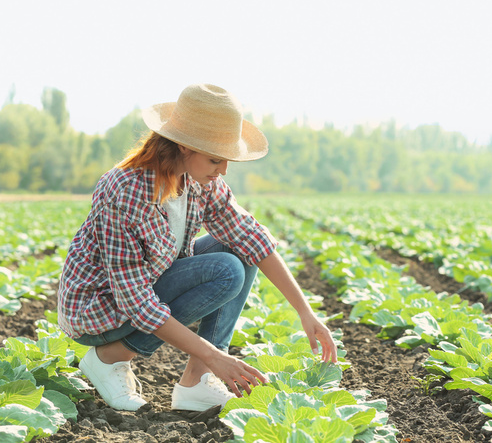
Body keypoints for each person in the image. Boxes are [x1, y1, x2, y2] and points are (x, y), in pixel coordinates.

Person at [57, 83, 337, 412]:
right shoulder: (125, 189)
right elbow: (134, 300)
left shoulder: (200, 181)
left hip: (147, 285)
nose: (224, 169)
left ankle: (197, 382)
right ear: (184, 147)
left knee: (239, 253)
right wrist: (214, 354)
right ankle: (109, 358)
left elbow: (252, 237)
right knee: (226, 270)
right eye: (216, 158)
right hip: (100, 308)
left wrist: (306, 313)